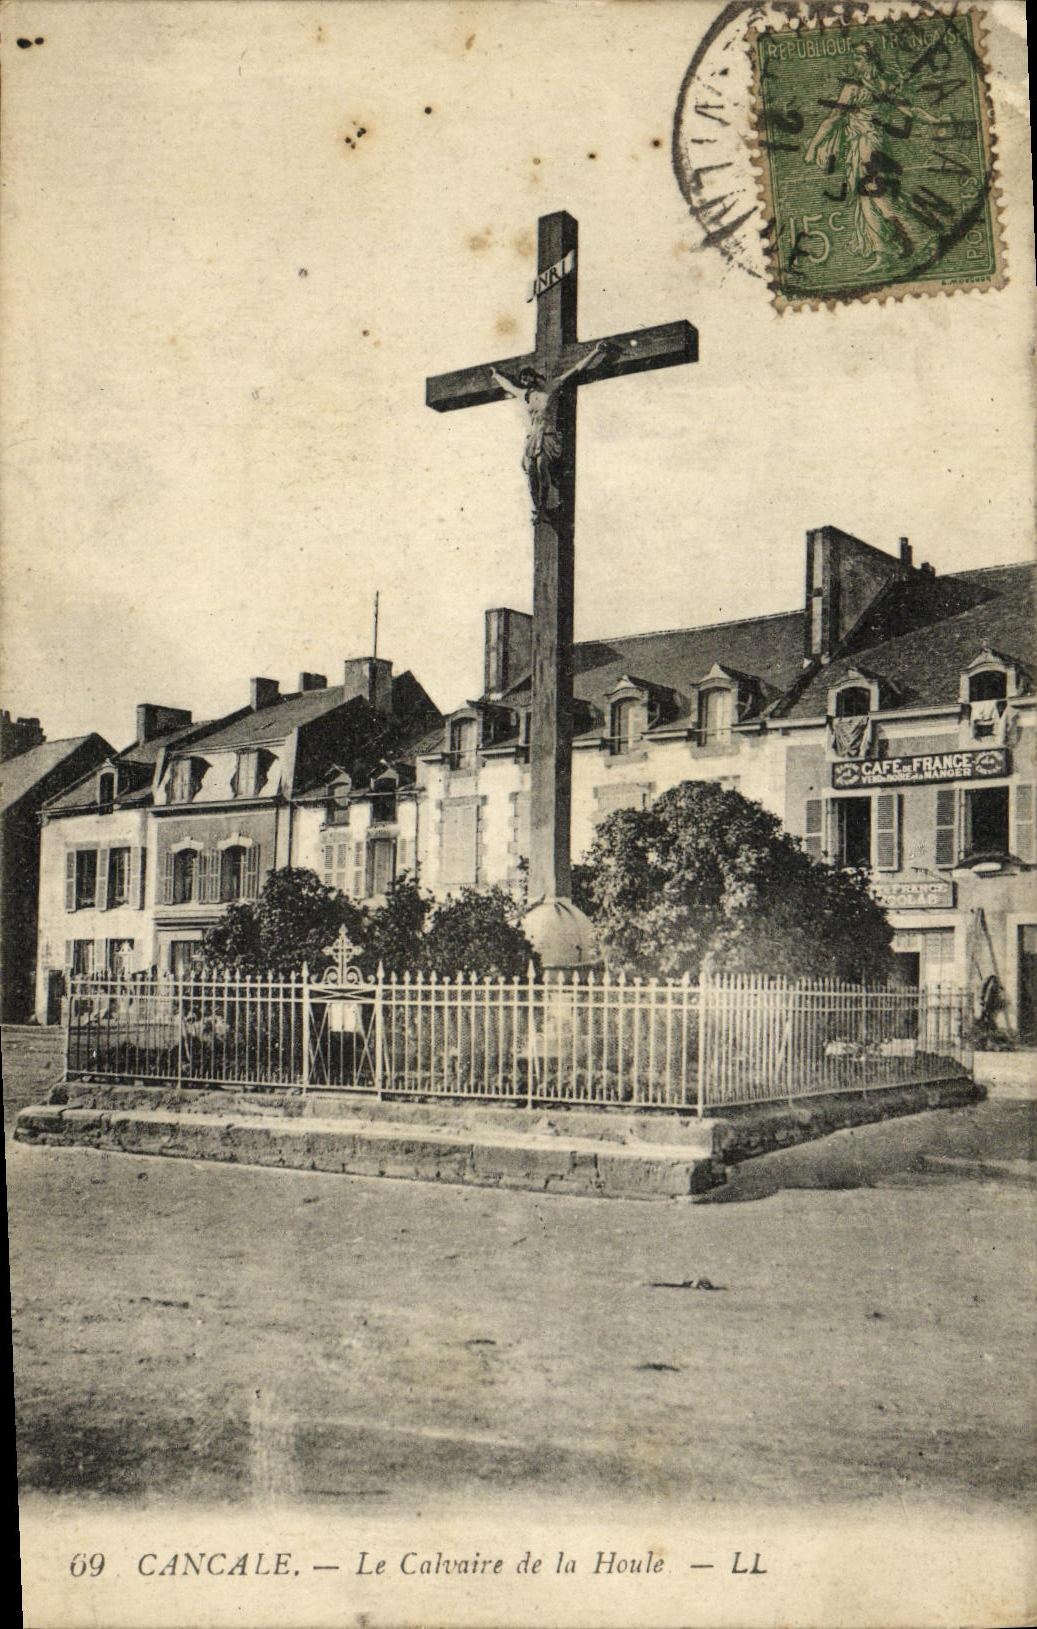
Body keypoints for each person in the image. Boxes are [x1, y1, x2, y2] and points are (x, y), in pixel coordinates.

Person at [491, 341, 612, 519]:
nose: (525, 381)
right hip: (532, 438)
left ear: (534, 376)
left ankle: (542, 504)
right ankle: (537, 508)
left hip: (547, 436)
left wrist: (595, 352)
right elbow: (508, 386)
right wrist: (496, 375)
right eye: (523, 379)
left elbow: (576, 369)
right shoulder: (525, 395)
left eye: (527, 377)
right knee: (531, 473)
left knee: (542, 468)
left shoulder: (551, 387)